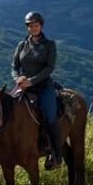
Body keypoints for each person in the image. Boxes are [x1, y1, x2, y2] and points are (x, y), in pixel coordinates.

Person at [12, 11, 62, 169]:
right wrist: (17, 78)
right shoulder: (22, 45)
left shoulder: (49, 45)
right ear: (27, 27)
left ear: (41, 26)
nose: (33, 28)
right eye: (30, 26)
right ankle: (1, 150)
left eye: (36, 25)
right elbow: (14, 66)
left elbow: (49, 68)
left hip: (43, 86)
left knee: (50, 115)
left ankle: (56, 154)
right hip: (23, 85)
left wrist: (32, 81)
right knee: (7, 109)